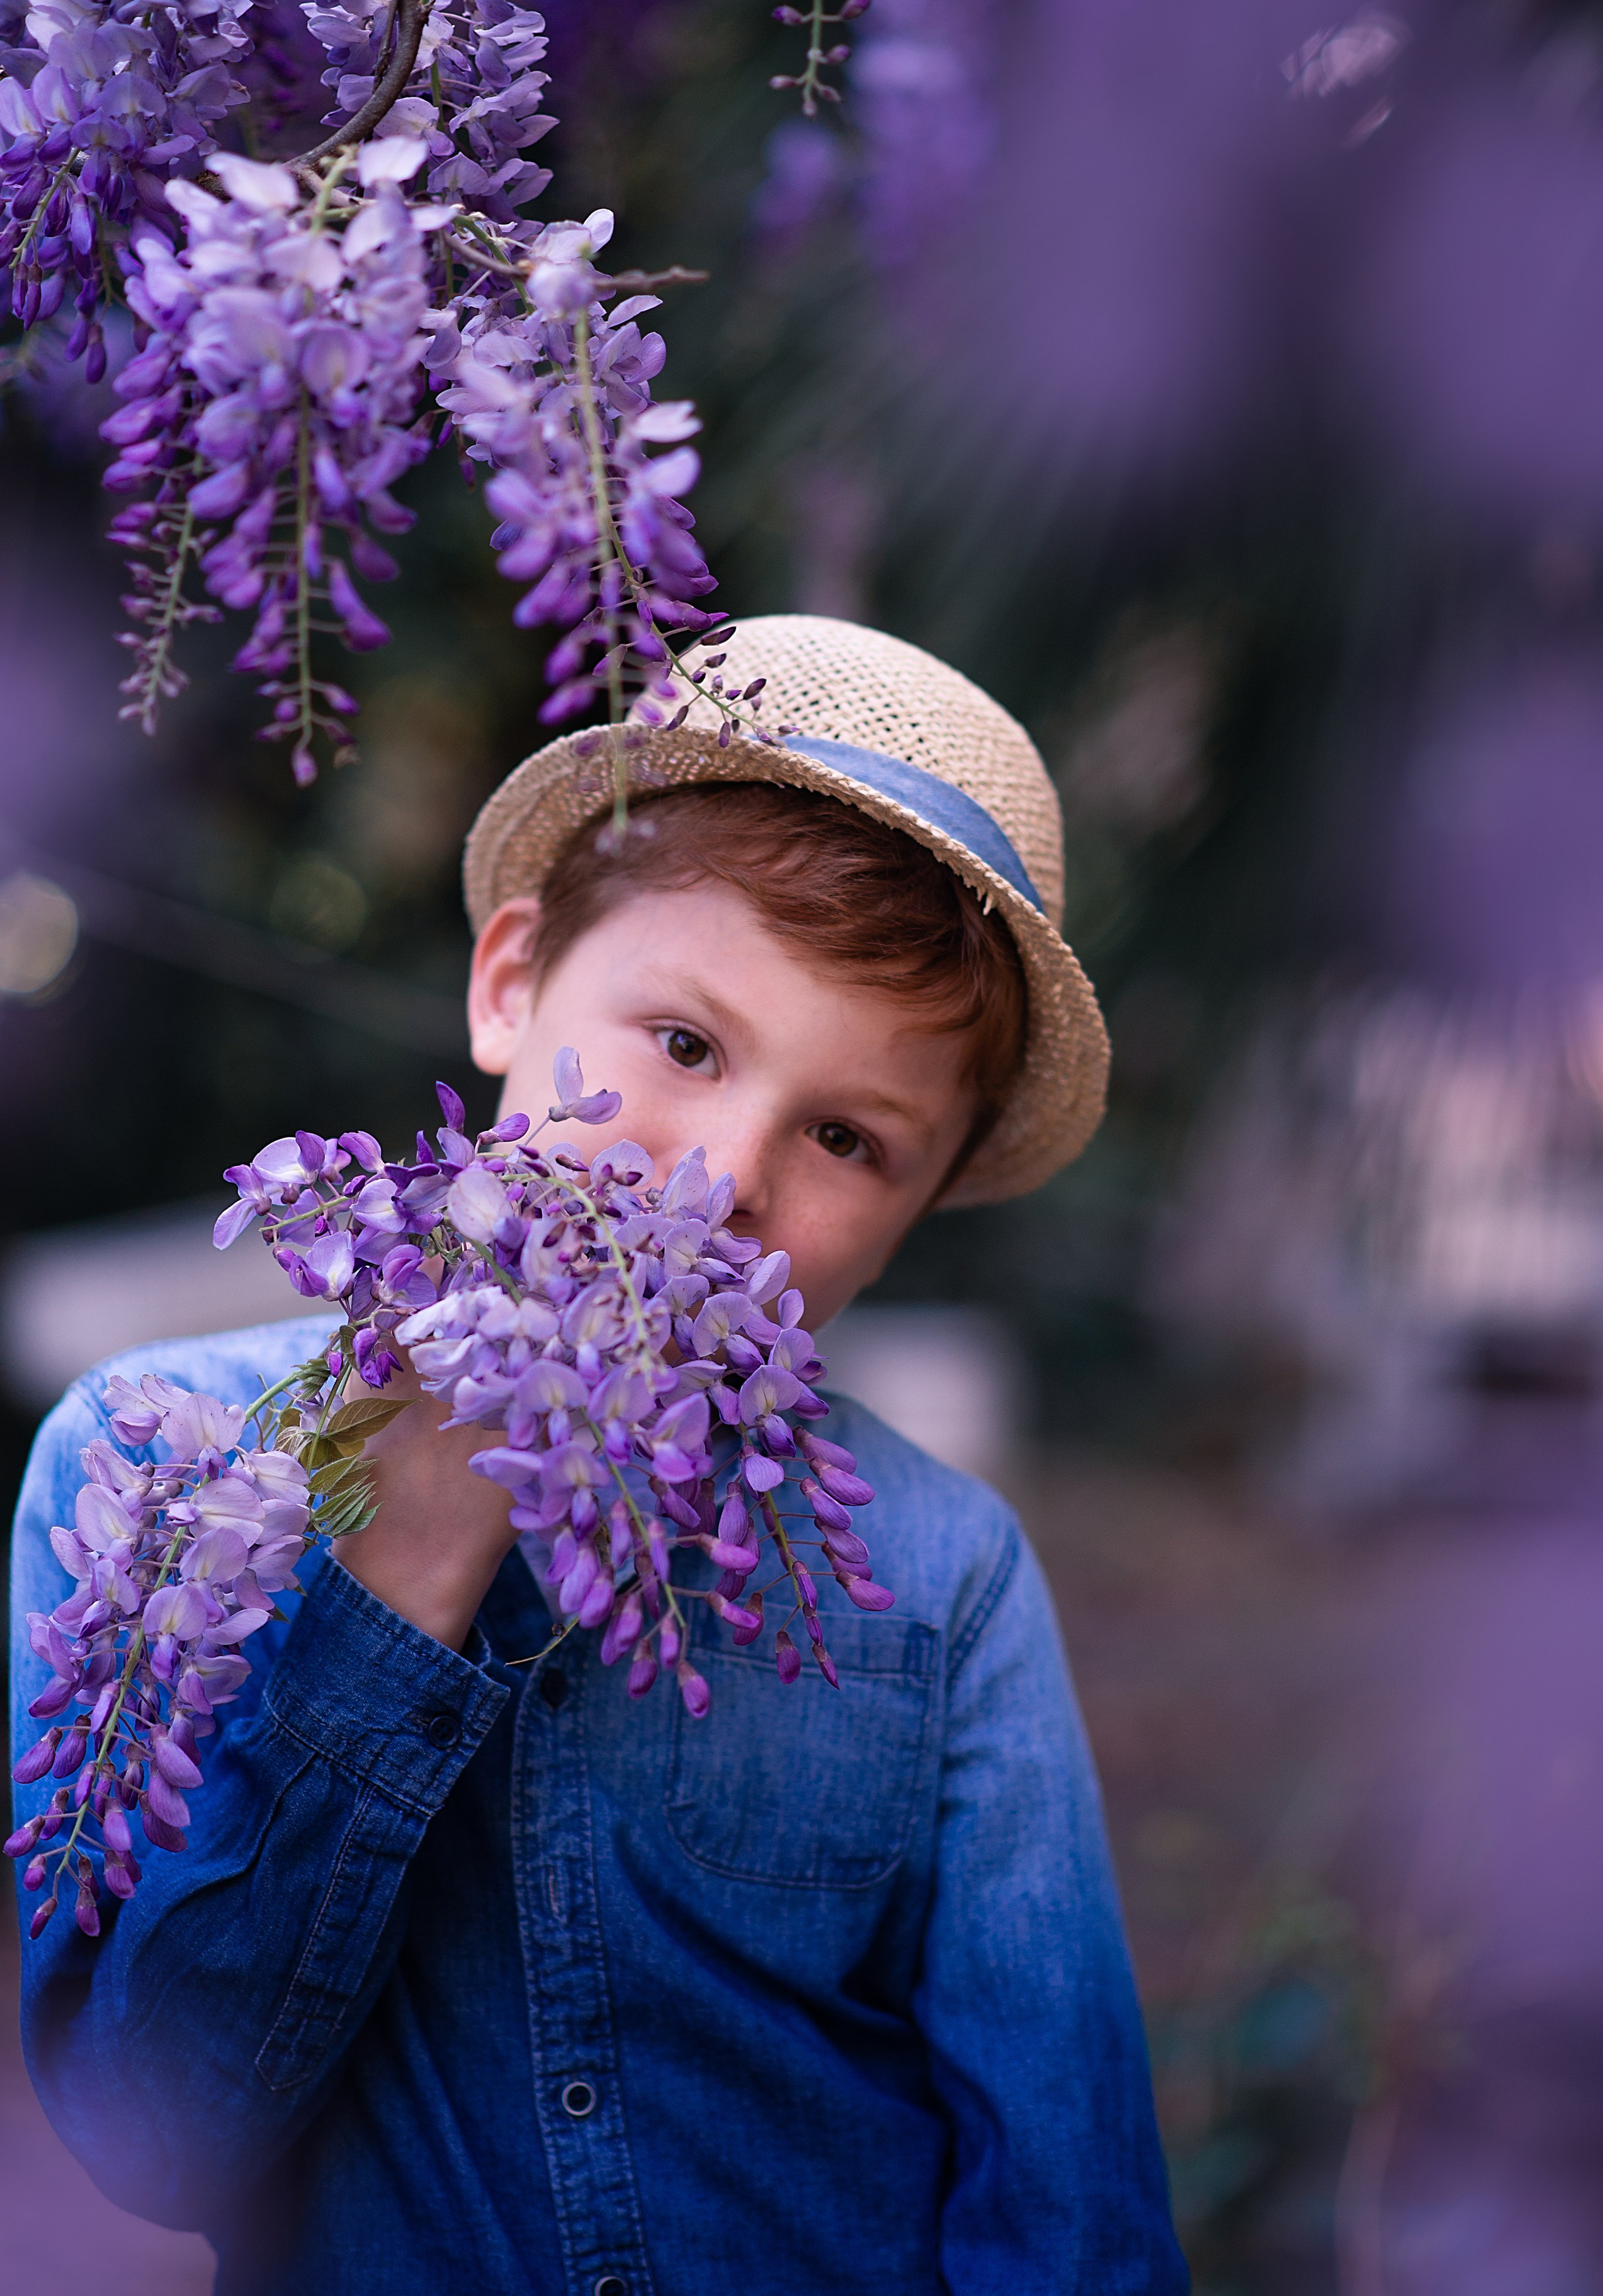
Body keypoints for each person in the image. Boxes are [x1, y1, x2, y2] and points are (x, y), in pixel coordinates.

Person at [10, 616, 1188, 2294]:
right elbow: (152, 2137)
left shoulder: (937, 1576)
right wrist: (402, 1560)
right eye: (685, 1043)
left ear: (920, 1210)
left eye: (848, 1138)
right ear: (508, 982)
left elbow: (1069, 2219)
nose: (717, 1184)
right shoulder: (153, 1462)